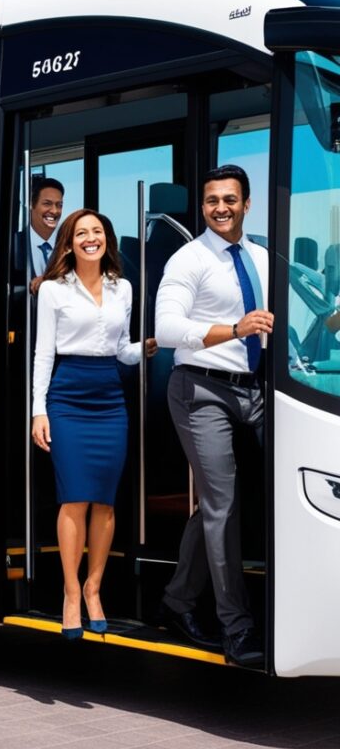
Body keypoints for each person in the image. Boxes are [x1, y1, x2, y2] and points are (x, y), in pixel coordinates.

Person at [155, 164, 272, 668]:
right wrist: (236, 329)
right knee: (224, 508)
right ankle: (237, 630)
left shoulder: (264, 258)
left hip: (261, 390)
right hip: (200, 391)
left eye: (229, 199)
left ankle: (178, 600)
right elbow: (168, 327)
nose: (220, 207)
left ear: (247, 204)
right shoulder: (189, 259)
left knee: (243, 502)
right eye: (211, 201)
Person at [31, 209, 156, 638]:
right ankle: (69, 593)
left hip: (108, 396)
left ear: (107, 240)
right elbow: (43, 354)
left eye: (97, 232)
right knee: (74, 499)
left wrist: (150, 347)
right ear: (68, 243)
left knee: (105, 501)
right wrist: (38, 410)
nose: (90, 239)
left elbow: (121, 350)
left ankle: (93, 589)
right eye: (81, 233)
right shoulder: (51, 290)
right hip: (67, 395)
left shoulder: (124, 288)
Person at [15, 176, 64, 291]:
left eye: (59, 205)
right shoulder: (14, 244)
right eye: (47, 204)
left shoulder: (70, 244)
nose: (54, 211)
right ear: (31, 204)